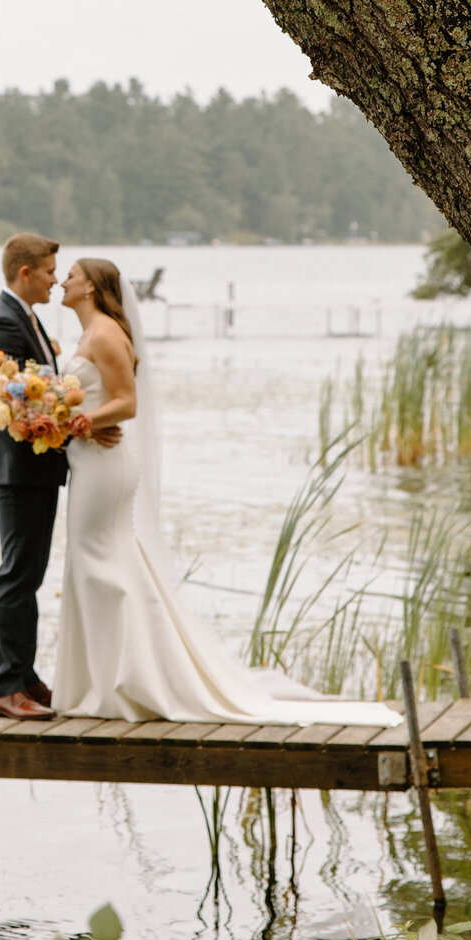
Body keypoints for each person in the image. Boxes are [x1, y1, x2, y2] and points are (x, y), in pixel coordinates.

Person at [53, 256, 395, 726]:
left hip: (105, 465)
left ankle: (127, 683)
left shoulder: (108, 333)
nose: (62, 282)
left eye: (70, 275)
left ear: (90, 287)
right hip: (89, 459)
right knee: (97, 565)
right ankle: (104, 679)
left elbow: (126, 402)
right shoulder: (88, 334)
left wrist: (85, 422)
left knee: (102, 566)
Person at [0, 232, 80, 721]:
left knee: (29, 575)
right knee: (17, 575)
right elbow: (17, 400)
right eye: (51, 272)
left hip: (35, 467)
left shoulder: (26, 318)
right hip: (18, 469)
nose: (57, 280)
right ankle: (4, 687)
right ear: (26, 272)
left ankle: (25, 676)